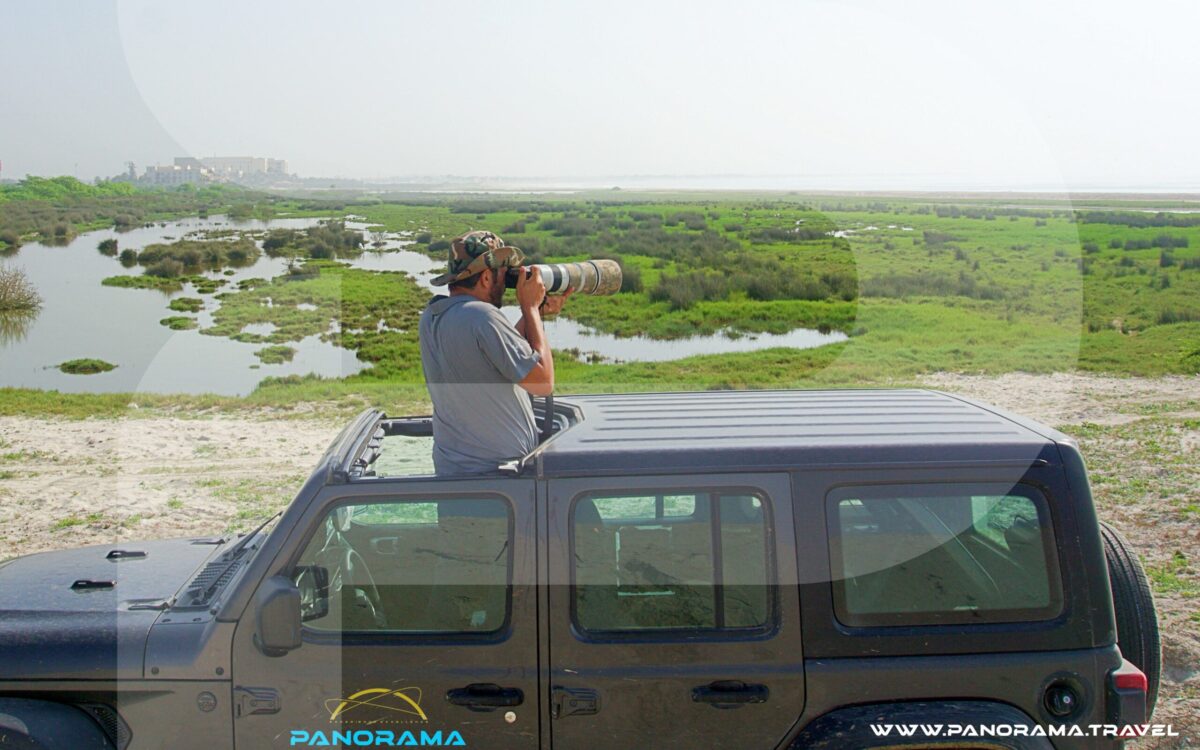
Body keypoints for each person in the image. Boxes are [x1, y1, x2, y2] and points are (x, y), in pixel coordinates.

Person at [419, 230, 570, 475]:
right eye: (503, 275)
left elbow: (505, 357)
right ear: (487, 278)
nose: (505, 284)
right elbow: (543, 383)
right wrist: (530, 307)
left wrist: (533, 313)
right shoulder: (483, 316)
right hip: (494, 479)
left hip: (456, 474)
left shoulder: (434, 315)